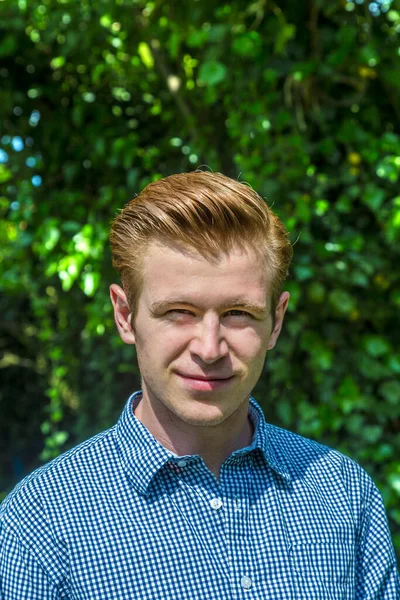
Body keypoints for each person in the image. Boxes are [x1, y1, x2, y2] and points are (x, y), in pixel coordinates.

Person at [0, 171, 398, 599]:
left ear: (276, 321)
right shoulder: (37, 526)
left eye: (237, 313)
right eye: (179, 312)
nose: (210, 349)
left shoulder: (343, 494)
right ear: (124, 315)